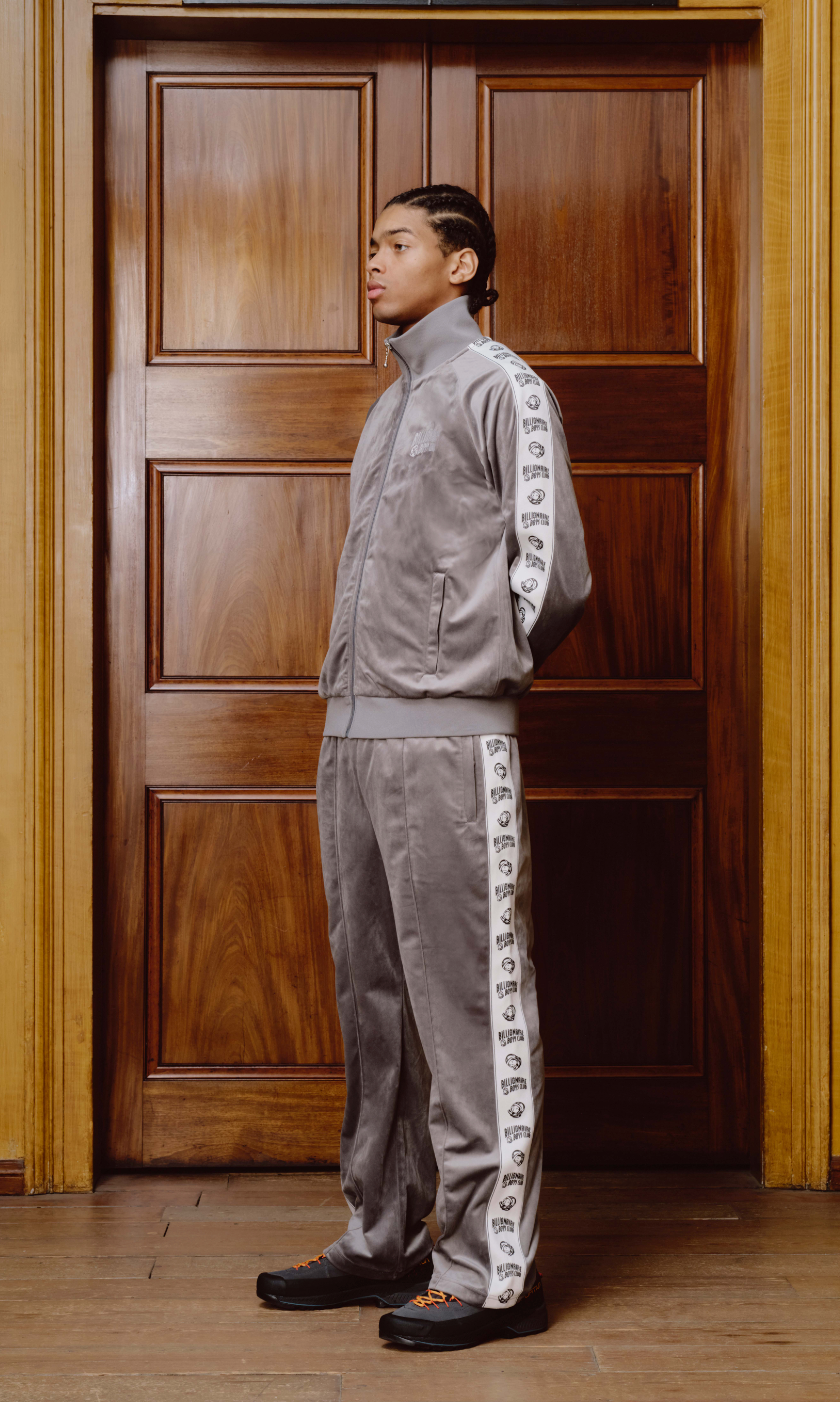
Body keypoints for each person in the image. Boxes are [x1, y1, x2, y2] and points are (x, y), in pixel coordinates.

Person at [256, 184, 591, 1351]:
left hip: (450, 740)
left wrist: (468, 672)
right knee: (376, 1001)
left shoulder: (503, 386)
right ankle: (384, 1235)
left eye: (395, 243)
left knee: (468, 1001)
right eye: (369, 244)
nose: (372, 260)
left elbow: (553, 572)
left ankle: (492, 1272)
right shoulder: (391, 402)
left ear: (460, 263)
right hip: (352, 739)